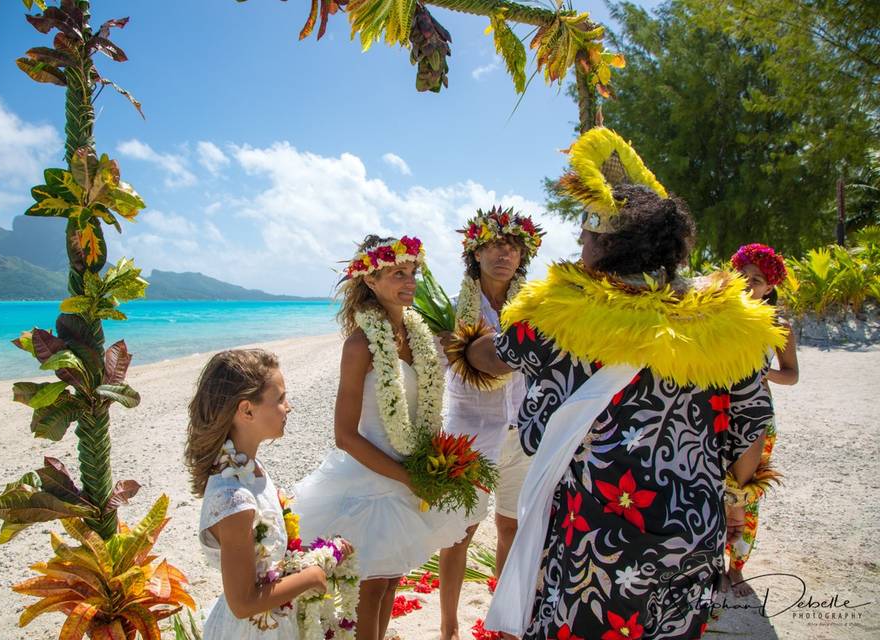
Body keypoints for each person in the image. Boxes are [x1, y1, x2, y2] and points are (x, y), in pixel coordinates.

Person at [452, 127, 787, 639]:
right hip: (690, 527)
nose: (580, 245)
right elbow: (750, 430)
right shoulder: (730, 321)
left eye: (586, 236)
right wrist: (733, 500)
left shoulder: (559, 316)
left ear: (609, 246)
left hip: (593, 532)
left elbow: (494, 357)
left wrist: (464, 343)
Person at [293, 235, 467, 640]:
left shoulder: (420, 335)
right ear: (370, 281)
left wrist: (430, 464)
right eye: (397, 274)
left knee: (391, 582)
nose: (410, 282)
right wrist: (406, 477)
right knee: (370, 588)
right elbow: (343, 435)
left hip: (409, 471)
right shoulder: (359, 344)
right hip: (370, 477)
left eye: (413, 273)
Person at [438, 206, 543, 640]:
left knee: (510, 526)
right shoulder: (451, 308)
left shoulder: (534, 306)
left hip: (521, 428)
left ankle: (501, 620)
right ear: (475, 253)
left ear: (522, 257)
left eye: (513, 247)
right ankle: (448, 624)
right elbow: (446, 358)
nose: (504, 254)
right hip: (470, 427)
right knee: (459, 531)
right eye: (495, 245)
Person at [185, 349, 327, 640]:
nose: (289, 407)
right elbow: (243, 603)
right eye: (280, 399)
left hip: (274, 622)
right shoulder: (234, 498)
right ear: (247, 410)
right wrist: (309, 577)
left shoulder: (250, 468)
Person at [725, 243, 799, 596]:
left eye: (757, 280)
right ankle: (706, 564)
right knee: (710, 489)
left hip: (756, 418)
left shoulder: (778, 325)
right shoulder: (717, 314)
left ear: (769, 287)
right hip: (716, 414)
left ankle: (736, 569)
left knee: (745, 495)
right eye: (743, 275)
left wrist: (761, 373)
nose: (747, 283)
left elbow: (792, 375)